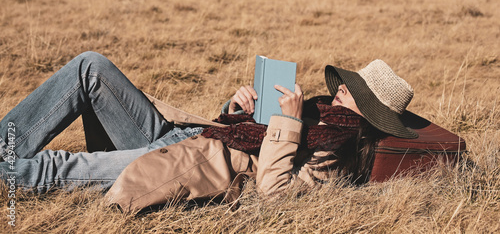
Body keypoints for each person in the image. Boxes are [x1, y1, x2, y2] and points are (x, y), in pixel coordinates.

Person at [0, 51, 417, 213]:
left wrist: (287, 124)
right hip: (186, 136)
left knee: (53, 167)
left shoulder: (338, 150)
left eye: (354, 91)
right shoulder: (320, 115)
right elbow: (243, 133)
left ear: (370, 114)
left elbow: (276, 194)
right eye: (349, 82)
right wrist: (235, 109)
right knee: (91, 67)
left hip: (187, 164)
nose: (342, 87)